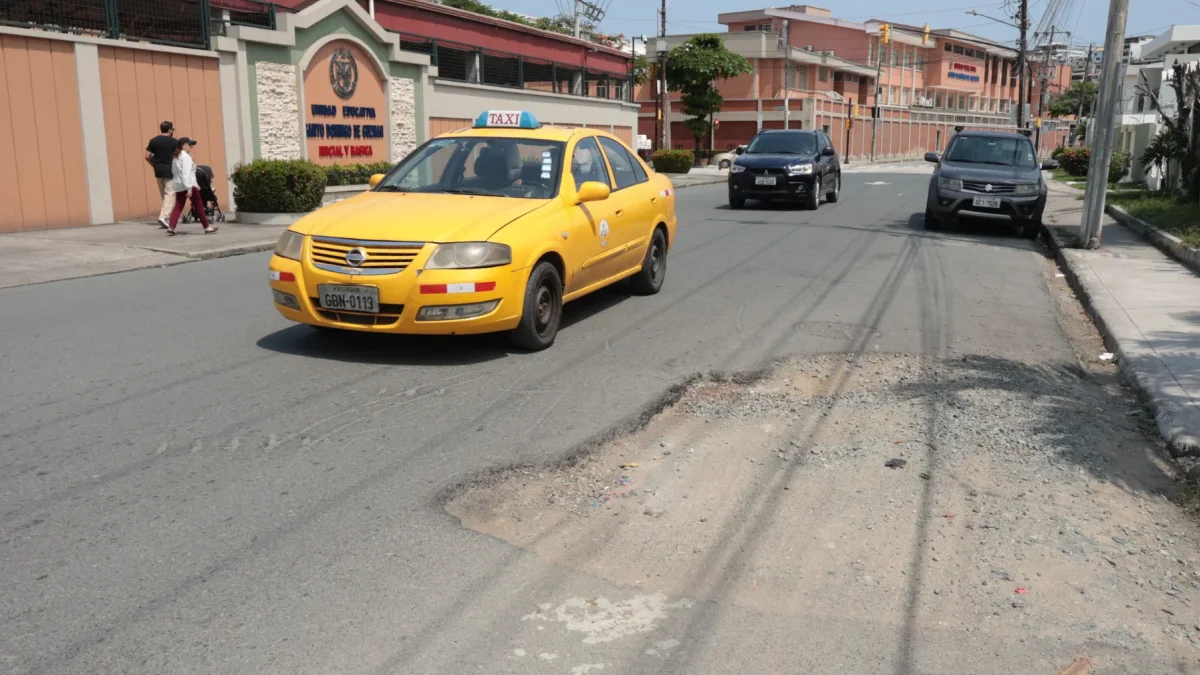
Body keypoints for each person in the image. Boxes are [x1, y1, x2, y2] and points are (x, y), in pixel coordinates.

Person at [166, 138, 217, 235]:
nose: (191, 147)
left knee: (178, 206)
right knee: (199, 206)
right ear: (184, 145)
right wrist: (189, 188)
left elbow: (174, 172)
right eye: (190, 145)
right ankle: (207, 227)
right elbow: (186, 174)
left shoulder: (176, 157)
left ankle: (171, 227)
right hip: (189, 184)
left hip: (179, 185)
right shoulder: (186, 157)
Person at [145, 121, 177, 228]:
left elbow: (147, 156)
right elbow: (178, 156)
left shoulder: (153, 141)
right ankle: (164, 216)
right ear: (169, 130)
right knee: (170, 194)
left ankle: (166, 218)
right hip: (169, 170)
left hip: (158, 170)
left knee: (164, 194)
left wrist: (154, 165)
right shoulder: (174, 142)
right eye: (173, 129)